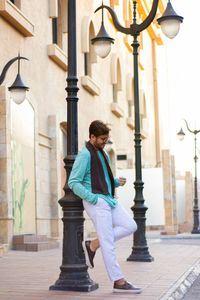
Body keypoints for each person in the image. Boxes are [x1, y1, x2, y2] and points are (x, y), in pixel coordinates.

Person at [68, 120, 141, 294]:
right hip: (96, 202)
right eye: (102, 138)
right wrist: (92, 198)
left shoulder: (103, 154)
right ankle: (118, 281)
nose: (104, 142)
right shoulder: (84, 155)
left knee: (131, 225)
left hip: (108, 199)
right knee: (108, 242)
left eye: (106, 139)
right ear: (92, 136)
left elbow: (102, 177)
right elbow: (73, 182)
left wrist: (116, 181)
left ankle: (93, 244)